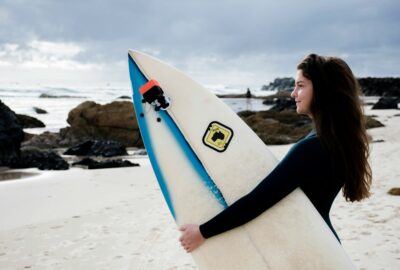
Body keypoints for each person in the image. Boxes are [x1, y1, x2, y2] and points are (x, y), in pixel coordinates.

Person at [179, 53, 372, 253]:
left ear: (322, 89)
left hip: (312, 251)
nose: (292, 93)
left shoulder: (313, 148)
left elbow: (259, 201)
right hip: (323, 245)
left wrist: (202, 232)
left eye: (300, 85)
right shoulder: (335, 140)